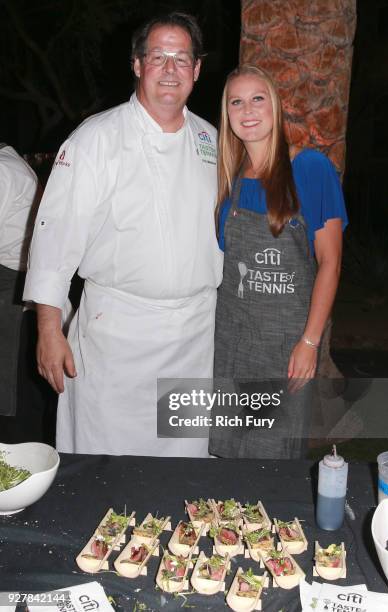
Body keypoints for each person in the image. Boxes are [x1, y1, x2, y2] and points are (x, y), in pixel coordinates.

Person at [23, 12, 223, 456]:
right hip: (116, 337)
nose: (170, 70)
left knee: (181, 464)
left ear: (197, 70)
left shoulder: (211, 140)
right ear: (137, 65)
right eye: (158, 57)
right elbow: (54, 239)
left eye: (181, 58)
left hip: (192, 338)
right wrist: (49, 330)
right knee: (106, 470)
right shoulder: (95, 138)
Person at [210, 65, 348, 459]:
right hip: (231, 342)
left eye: (258, 98)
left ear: (275, 107)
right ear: (227, 113)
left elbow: (331, 262)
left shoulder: (309, 168)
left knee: (272, 460)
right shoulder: (230, 178)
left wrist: (310, 342)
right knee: (226, 454)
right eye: (236, 101)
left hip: (286, 346)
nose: (247, 109)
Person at [0, 144, 39, 420]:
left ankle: (11, 439)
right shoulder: (8, 162)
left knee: (7, 368)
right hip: (17, 270)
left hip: (13, 275)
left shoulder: (3, 169)